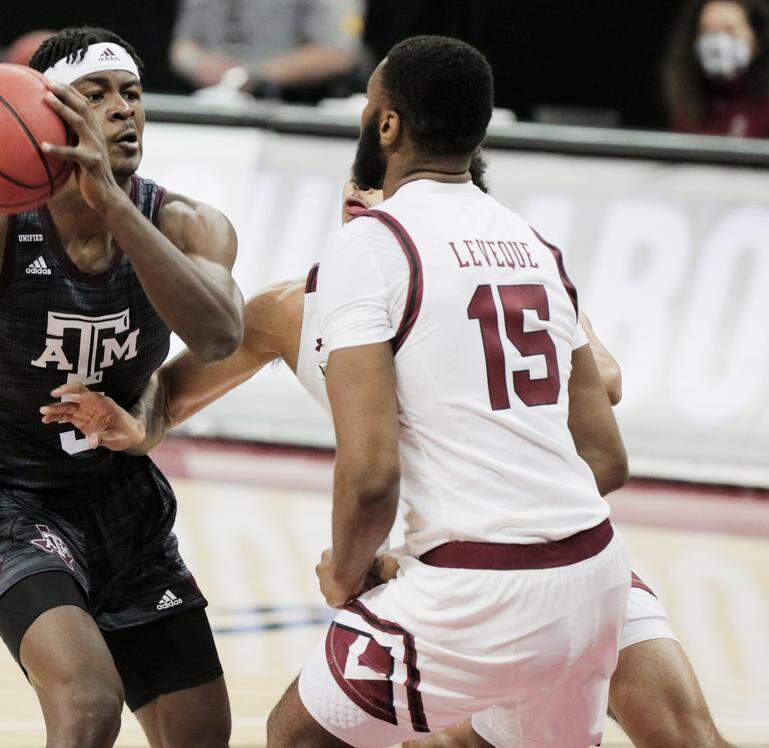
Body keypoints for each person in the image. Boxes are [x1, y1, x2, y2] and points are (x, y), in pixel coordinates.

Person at [52, 36, 635, 746]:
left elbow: (369, 478)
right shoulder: (530, 242)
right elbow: (607, 458)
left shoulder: (374, 247)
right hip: (596, 573)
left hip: (482, 580)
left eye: (368, 107)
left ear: (386, 126)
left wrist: (347, 575)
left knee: (298, 735)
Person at [0, 27, 243, 748]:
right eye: (96, 95)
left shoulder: (188, 225)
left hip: (121, 500)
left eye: (131, 93)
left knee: (201, 734)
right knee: (89, 703)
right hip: (5, 500)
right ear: (46, 115)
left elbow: (221, 335)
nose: (123, 109)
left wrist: (116, 208)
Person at [662, 0, 769, 141]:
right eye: (706, 31)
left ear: (756, 41)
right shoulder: (688, 104)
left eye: (730, 31)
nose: (717, 43)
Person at [170, 0, 366, 99]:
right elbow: (182, 47)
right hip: (215, 107)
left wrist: (250, 76)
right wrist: (198, 64)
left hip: (298, 112)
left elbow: (339, 53)